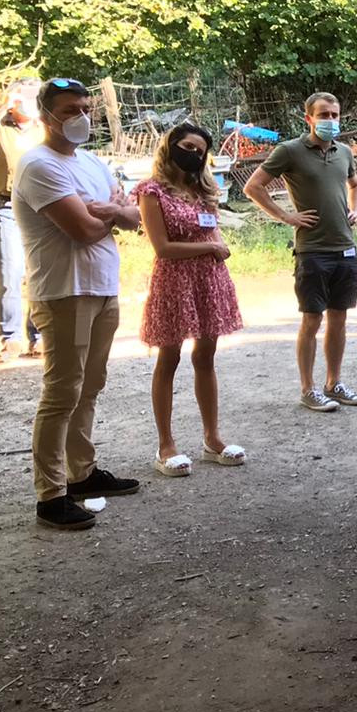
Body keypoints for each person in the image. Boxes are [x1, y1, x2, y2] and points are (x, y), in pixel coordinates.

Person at [13, 77, 143, 530]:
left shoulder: (91, 162)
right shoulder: (37, 166)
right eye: (69, 110)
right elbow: (83, 230)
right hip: (63, 290)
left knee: (91, 385)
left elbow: (133, 215)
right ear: (45, 116)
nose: (81, 118)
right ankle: (51, 496)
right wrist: (108, 215)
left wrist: (106, 211)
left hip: (102, 285)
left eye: (85, 108)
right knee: (62, 391)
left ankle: (82, 474)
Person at [245, 91, 357, 413]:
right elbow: (253, 186)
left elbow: (356, 185)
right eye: (323, 115)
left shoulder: (343, 152)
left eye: (334, 115)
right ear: (308, 118)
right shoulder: (290, 151)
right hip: (312, 249)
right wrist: (286, 216)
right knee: (312, 319)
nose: (330, 121)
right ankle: (308, 389)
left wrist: (356, 209)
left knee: (339, 318)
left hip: (345, 248)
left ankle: (334, 383)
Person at [134, 124, 245, 475]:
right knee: (169, 356)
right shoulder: (152, 191)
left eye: (200, 150)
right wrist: (210, 247)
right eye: (187, 146)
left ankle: (213, 439)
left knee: (207, 355)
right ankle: (166, 445)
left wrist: (215, 245)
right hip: (174, 281)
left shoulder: (204, 188)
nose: (194, 155)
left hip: (209, 279)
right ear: (170, 147)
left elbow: (211, 228)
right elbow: (162, 247)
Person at [0, 80, 43, 358]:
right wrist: (3, 106)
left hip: (40, 207)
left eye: (34, 96)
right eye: (23, 96)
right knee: (10, 272)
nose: (29, 101)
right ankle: (10, 337)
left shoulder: (44, 128)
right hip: (6, 205)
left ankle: (37, 335)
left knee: (39, 271)